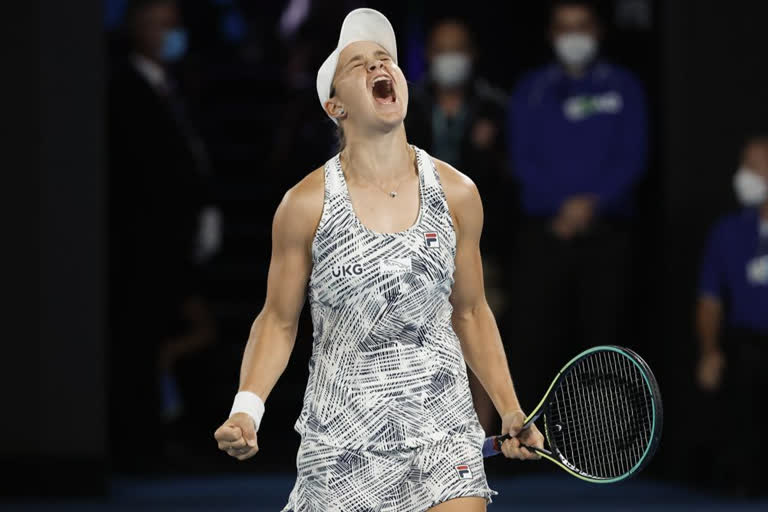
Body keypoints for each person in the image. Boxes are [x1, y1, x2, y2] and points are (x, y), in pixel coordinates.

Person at [213, 8, 543, 511]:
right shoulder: (304, 205)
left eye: (384, 59)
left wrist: (510, 410)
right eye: (358, 65)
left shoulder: (457, 193)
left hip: (443, 432)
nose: (377, 67)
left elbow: (471, 312)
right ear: (335, 106)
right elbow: (278, 321)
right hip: (342, 445)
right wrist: (246, 409)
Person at [507, 0, 647, 411]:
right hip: (546, 232)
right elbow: (521, 158)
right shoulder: (531, 89)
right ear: (551, 35)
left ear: (598, 30)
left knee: (606, 341)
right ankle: (525, 445)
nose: (573, 37)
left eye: (581, 26)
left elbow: (634, 156)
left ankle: (608, 443)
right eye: (564, 28)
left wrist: (594, 205)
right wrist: (561, 208)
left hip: (608, 233)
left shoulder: (623, 86)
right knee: (532, 338)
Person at [108, 0, 218, 466]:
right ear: (137, 27)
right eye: (161, 24)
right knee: (153, 339)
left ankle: (168, 426)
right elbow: (143, 177)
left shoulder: (176, 87)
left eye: (176, 24)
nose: (171, 33)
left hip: (178, 245)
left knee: (187, 334)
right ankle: (146, 439)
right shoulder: (124, 90)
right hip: (146, 249)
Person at [405, 18, 509, 435]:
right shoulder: (407, 106)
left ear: (473, 54)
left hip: (480, 242)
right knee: (420, 343)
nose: (450, 58)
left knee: (478, 337)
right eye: (441, 49)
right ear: (429, 56)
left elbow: (512, 176)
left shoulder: (496, 109)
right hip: (415, 241)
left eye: (458, 48)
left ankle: (481, 444)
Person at [696, 135, 768, 496]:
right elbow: (710, 300)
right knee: (744, 367)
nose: (745, 175)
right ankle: (742, 480)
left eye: (755, 167)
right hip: (749, 341)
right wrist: (710, 352)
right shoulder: (728, 231)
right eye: (744, 166)